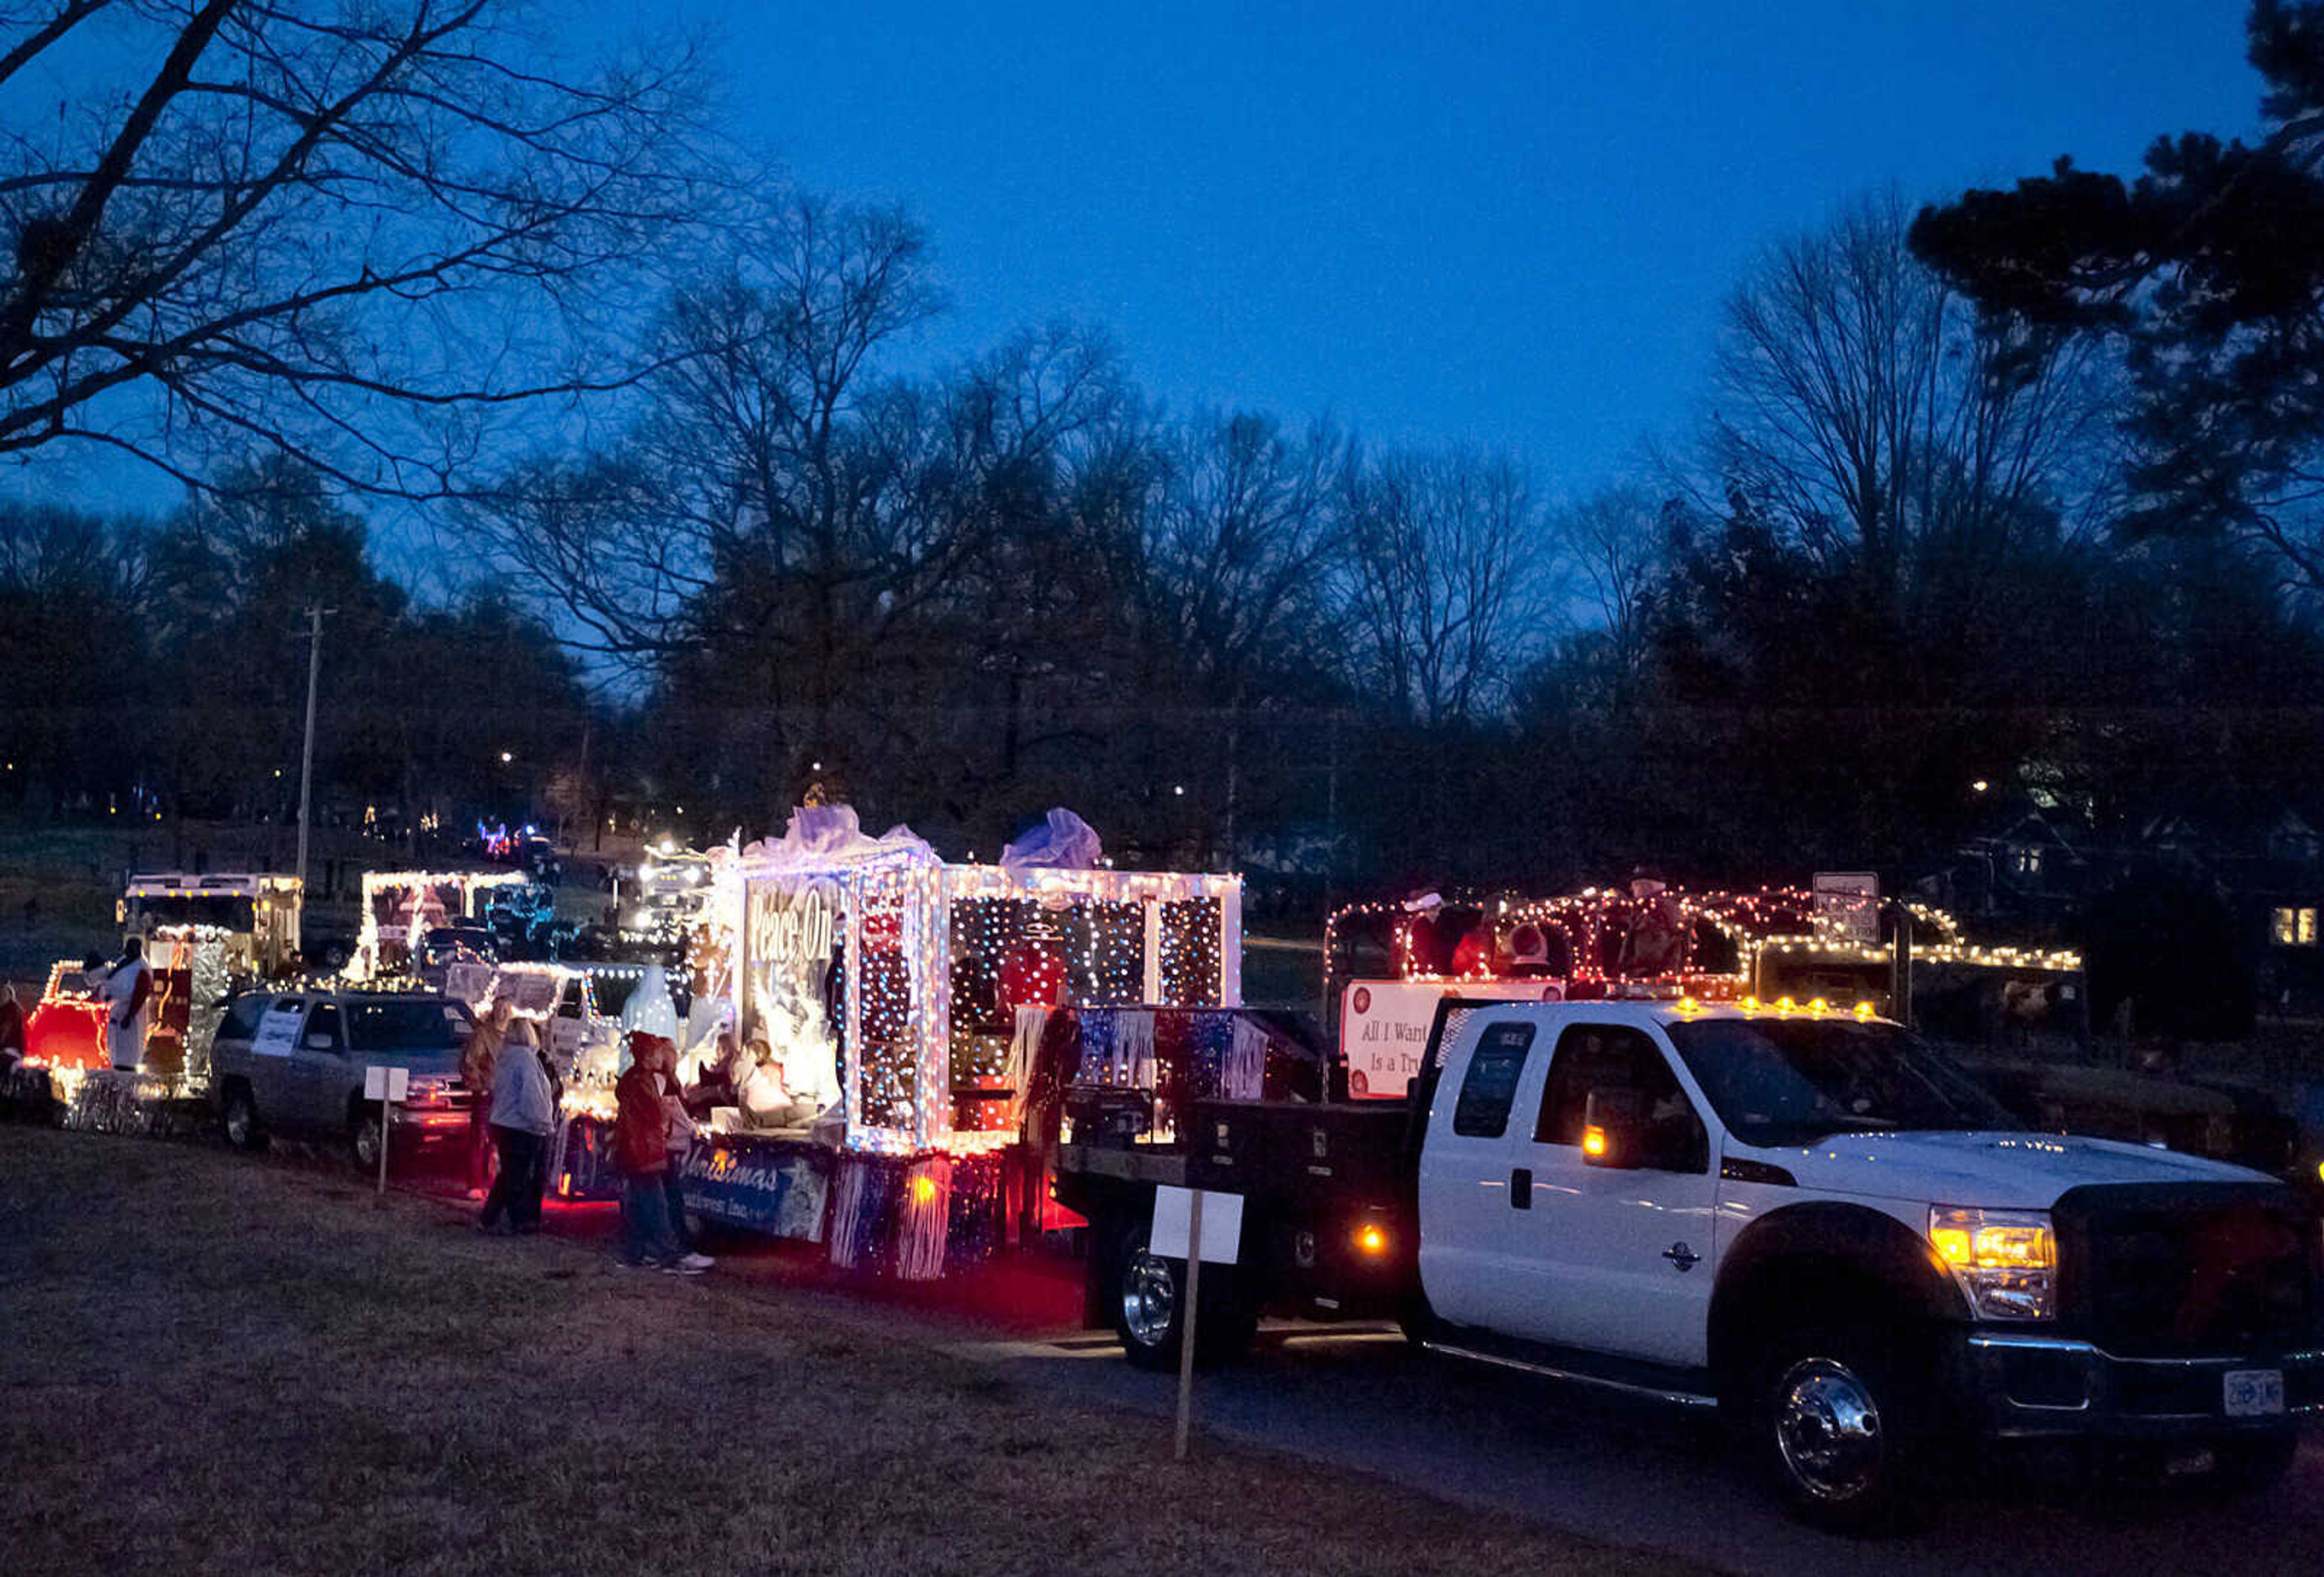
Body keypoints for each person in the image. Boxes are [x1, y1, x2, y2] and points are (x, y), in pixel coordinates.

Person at [615, 1034, 710, 1273]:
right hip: (646, 1150)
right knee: (656, 1203)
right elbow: (655, 1115)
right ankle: (666, 1253)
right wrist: (665, 1116)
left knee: (638, 1203)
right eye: (659, 1053)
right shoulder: (644, 1081)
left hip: (636, 1149)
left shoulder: (632, 1079)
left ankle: (637, 1253)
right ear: (649, 1056)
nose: (664, 1058)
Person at [479, 1018, 553, 1236]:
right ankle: (518, 1220)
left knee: (510, 1174)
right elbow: (531, 1096)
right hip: (522, 1125)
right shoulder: (525, 1060)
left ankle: (491, 1217)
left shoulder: (505, 1058)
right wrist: (540, 1121)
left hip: (503, 1122)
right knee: (518, 1176)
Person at [460, 1000, 514, 1200]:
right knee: (480, 1139)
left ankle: (494, 1183)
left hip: (505, 1095)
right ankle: (474, 1183)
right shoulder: (483, 1034)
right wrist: (480, 1086)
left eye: (506, 1009)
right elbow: (470, 1062)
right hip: (486, 1093)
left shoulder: (512, 1036)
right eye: (499, 1008)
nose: (502, 1013)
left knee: (498, 1142)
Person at [103, 938, 152, 1074]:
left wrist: (129, 1015)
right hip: (117, 1011)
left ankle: (127, 1074)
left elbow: (140, 995)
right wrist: (109, 994)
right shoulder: (122, 962)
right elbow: (113, 980)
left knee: (129, 1047)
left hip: (131, 1016)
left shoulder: (142, 968)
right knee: (115, 1045)